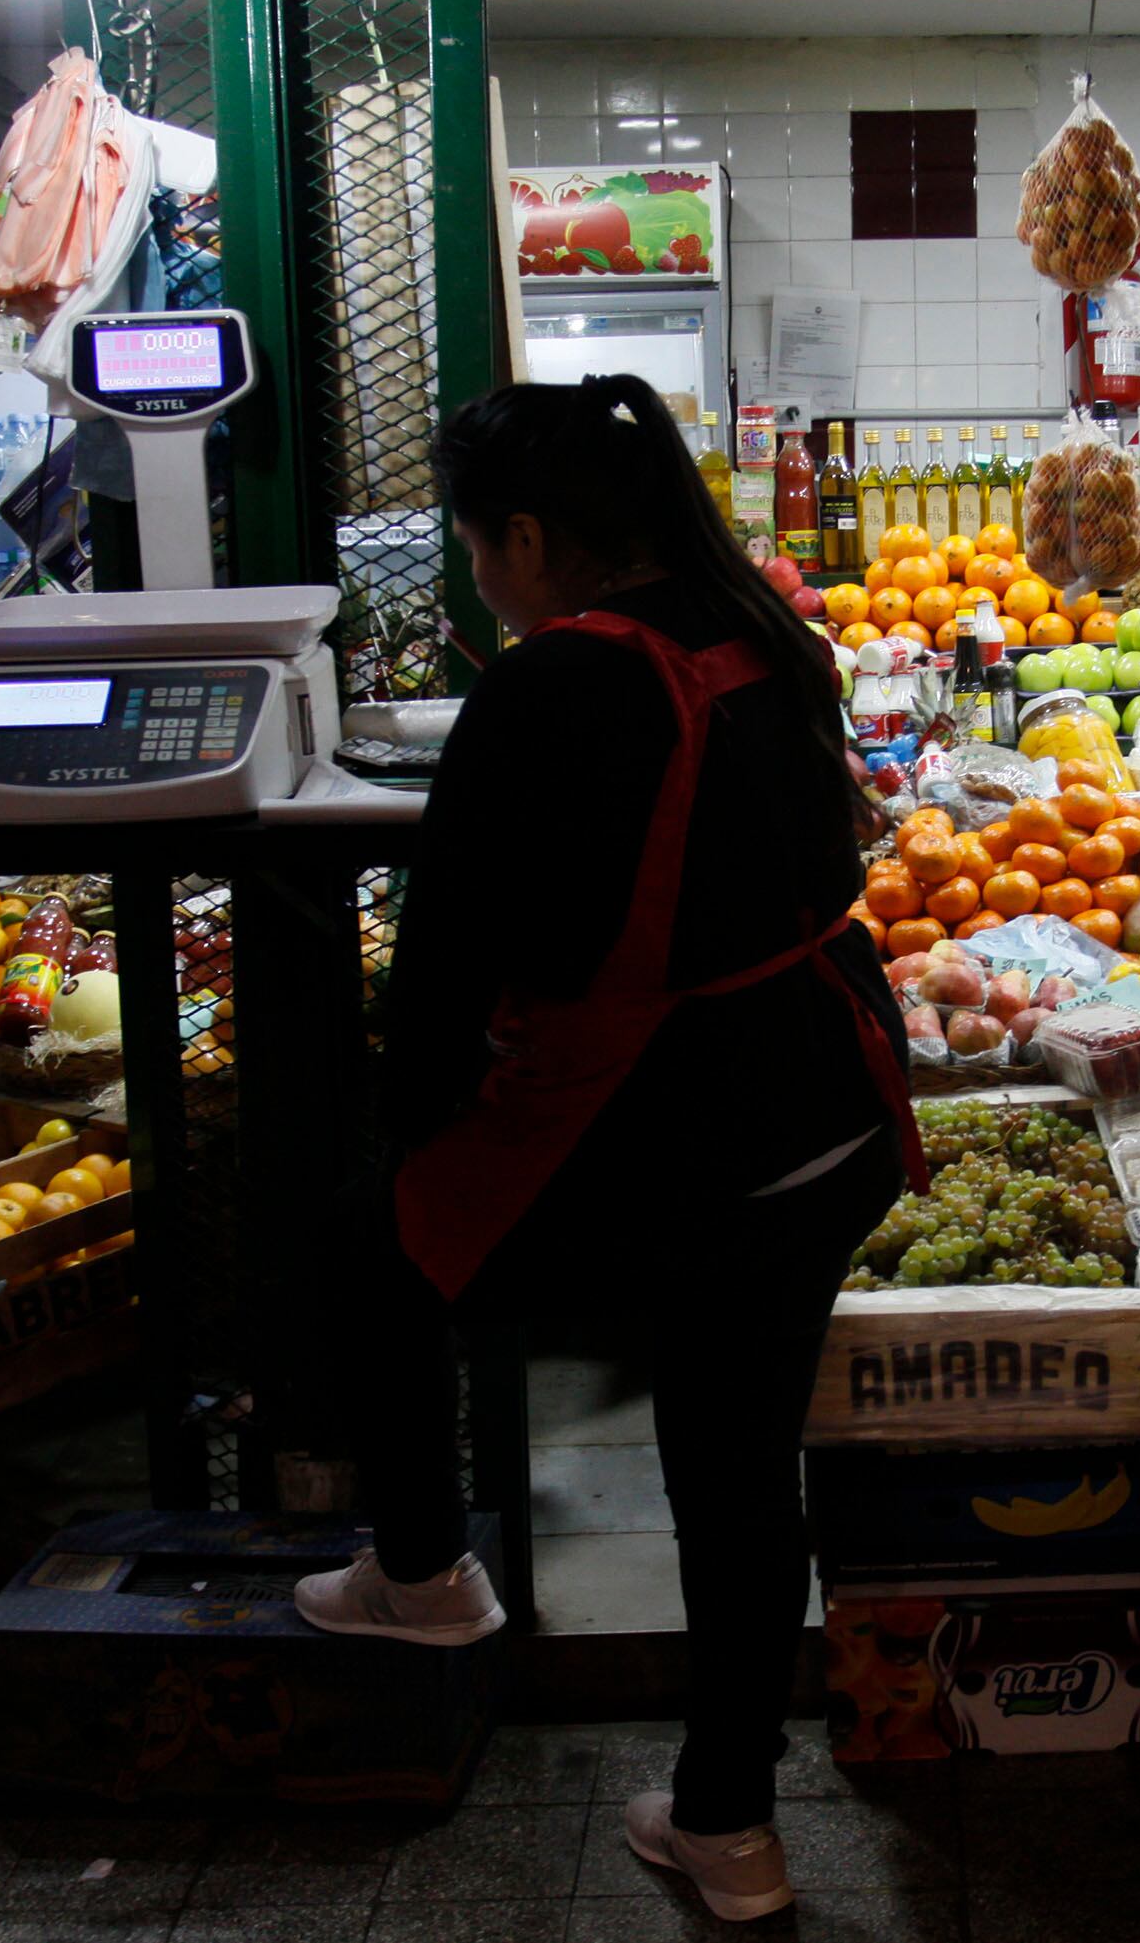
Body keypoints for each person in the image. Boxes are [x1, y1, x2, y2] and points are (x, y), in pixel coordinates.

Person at [294, 374, 921, 1923]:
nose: (476, 575)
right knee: (732, 1467)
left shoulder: (556, 682)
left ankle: (427, 1575)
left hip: (680, 1120)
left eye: (474, 544)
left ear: (524, 535)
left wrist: (416, 1110)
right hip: (828, 1107)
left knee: (375, 1246)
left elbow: (440, 962)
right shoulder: (765, 635)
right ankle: (727, 1825)